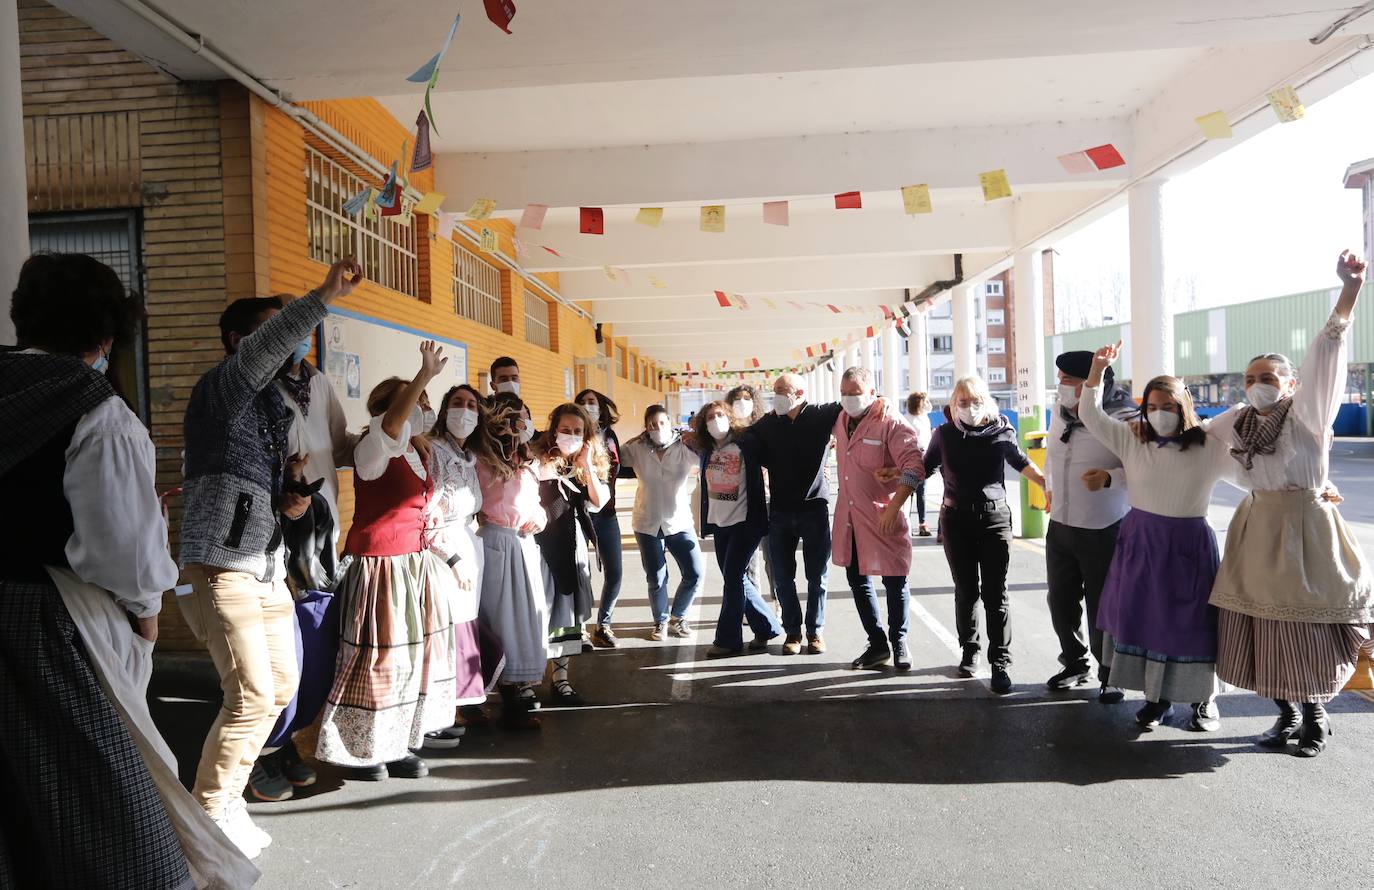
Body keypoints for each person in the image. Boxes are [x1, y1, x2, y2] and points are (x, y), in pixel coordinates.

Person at [0, 253, 195, 884]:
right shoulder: (101, 416)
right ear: (106, 336)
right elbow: (124, 557)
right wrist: (147, 616)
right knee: (100, 800)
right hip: (48, 620)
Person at [180, 257, 360, 848]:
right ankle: (211, 813)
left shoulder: (270, 408)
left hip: (268, 565)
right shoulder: (225, 386)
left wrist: (287, 501)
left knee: (281, 686)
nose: (291, 343)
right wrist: (324, 295)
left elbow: (257, 485)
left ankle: (228, 796)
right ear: (240, 341)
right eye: (276, 331)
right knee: (251, 694)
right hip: (221, 565)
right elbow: (271, 345)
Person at [1209, 250, 1374, 757]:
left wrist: (1348, 291)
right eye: (1251, 377)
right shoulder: (1234, 422)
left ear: (1292, 383)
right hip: (1257, 529)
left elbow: (1328, 348)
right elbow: (1185, 440)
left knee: (1306, 626)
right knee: (1261, 626)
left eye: (1269, 377)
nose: (1259, 384)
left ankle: (1315, 719)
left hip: (1307, 529)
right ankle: (1285, 716)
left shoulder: (1307, 414)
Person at [316, 342, 464, 780]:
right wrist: (422, 376)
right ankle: (360, 748)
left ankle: (396, 741)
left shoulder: (419, 453)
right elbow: (392, 426)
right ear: (386, 411)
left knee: (412, 660)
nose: (423, 408)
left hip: (413, 566)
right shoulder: (372, 450)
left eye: (424, 401)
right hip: (380, 566)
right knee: (380, 660)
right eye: (415, 402)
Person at [1079, 342, 1233, 731]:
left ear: (1184, 406)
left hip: (1189, 547)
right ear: (1142, 408)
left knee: (1193, 624)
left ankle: (1205, 700)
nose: (1159, 413)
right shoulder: (1133, 439)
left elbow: (1253, 472)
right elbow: (1089, 414)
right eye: (1152, 406)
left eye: (1168, 406)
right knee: (1148, 623)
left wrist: (1313, 486)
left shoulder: (1209, 445)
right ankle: (1157, 699)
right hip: (1142, 544)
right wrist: (1097, 371)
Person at [247, 319, 359, 802]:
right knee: (274, 653)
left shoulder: (317, 382)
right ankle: (258, 753)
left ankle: (285, 740)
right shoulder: (250, 390)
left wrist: (393, 433)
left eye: (304, 330)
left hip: (319, 529)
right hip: (274, 536)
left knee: (310, 646)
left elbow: (338, 443)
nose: (298, 340)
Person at [924, 375, 1046, 693]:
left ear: (987, 401)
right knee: (966, 591)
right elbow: (923, 468)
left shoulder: (1002, 431)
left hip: (994, 519)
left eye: (975, 400)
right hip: (956, 520)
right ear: (952, 404)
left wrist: (1048, 486)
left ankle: (1000, 662)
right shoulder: (944, 434)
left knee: (996, 593)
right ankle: (970, 650)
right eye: (962, 402)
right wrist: (893, 481)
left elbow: (1021, 462)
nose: (969, 407)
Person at [1043, 351, 1135, 704]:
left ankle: (1110, 674)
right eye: (1061, 378)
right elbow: (1053, 454)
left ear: (1095, 382)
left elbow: (1144, 467)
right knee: (1060, 601)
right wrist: (1050, 487)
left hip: (1104, 526)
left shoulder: (1123, 418)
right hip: (1061, 524)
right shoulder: (1060, 410)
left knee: (1104, 607)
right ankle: (1074, 662)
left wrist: (1111, 478)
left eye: (1069, 379)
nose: (1062, 385)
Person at [832, 368, 925, 671]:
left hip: (883, 516)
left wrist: (895, 505)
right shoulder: (840, 420)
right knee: (857, 580)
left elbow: (914, 466)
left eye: (855, 392)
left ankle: (899, 642)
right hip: (851, 519)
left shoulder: (891, 422)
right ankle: (877, 643)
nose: (849, 398)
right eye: (844, 392)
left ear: (872, 393)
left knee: (895, 580)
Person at [423, 384, 501, 743]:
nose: (465, 411)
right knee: (444, 629)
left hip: (468, 544)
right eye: (457, 403)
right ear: (444, 410)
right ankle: (435, 711)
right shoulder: (433, 451)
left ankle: (454, 704)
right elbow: (427, 513)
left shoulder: (468, 455)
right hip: (444, 551)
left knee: (463, 626)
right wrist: (452, 559)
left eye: (472, 405)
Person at [749, 372, 845, 654]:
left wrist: (883, 401)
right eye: (775, 389)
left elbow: (856, 406)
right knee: (782, 576)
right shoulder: (767, 424)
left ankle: (815, 633)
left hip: (814, 510)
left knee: (818, 576)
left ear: (800, 393)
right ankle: (793, 632)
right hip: (779, 512)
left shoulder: (819, 415)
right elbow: (741, 437)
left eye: (782, 389)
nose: (776, 393)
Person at [474, 393, 550, 728]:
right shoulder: (480, 458)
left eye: (520, 417)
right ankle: (505, 690)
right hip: (497, 543)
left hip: (524, 543)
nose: (516, 424)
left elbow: (535, 502)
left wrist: (541, 519)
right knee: (500, 620)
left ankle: (520, 684)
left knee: (526, 620)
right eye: (508, 417)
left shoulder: (529, 460)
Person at [531, 404, 611, 705]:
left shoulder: (584, 465)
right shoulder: (537, 460)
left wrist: (586, 463)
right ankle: (527, 677)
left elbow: (599, 501)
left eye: (578, 431)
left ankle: (561, 678)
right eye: (566, 430)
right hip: (540, 545)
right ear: (553, 430)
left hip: (573, 544)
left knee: (567, 611)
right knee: (541, 609)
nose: (572, 435)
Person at [696, 401, 785, 657]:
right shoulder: (706, 449)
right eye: (710, 416)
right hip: (720, 524)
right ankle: (767, 627)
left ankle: (728, 639)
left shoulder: (747, 442)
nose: (716, 420)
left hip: (747, 523)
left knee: (733, 578)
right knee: (736, 579)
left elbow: (769, 426)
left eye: (721, 414)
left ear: (730, 418)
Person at [618, 405, 704, 641]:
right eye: (652, 425)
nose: (657, 428)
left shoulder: (682, 447)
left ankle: (679, 616)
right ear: (646, 427)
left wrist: (693, 437)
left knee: (695, 572)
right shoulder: (636, 448)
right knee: (656, 577)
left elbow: (705, 456)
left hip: (679, 522)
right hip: (647, 522)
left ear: (670, 422)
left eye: (662, 423)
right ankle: (661, 622)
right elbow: (612, 458)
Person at [576, 389, 628, 648]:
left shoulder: (609, 436)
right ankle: (581, 629)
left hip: (607, 514)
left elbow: (619, 467)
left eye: (591, 402)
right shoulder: (572, 436)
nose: (587, 406)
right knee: (579, 573)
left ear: (601, 407)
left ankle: (603, 625)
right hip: (579, 515)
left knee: (615, 573)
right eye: (582, 402)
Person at [727, 384, 778, 600]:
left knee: (773, 558)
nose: (741, 402)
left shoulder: (765, 428)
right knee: (748, 561)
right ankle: (754, 607)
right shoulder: (727, 432)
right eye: (737, 399)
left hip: (768, 500)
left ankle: (778, 602)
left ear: (754, 402)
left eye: (747, 398)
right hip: (741, 504)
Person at [904, 392, 934, 537]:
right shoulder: (908, 419)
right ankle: (908, 523)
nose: (928, 404)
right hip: (912, 459)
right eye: (925, 401)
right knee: (911, 492)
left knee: (920, 493)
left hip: (923, 458)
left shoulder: (924, 418)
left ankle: (921, 523)